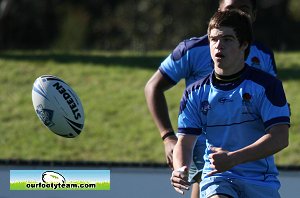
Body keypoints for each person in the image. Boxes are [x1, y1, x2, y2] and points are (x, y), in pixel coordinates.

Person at [144, 0, 277, 197]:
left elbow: (275, 106)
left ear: (254, 15)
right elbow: (153, 87)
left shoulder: (263, 55)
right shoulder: (193, 50)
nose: (238, 13)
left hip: (249, 155)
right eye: (231, 8)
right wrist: (168, 137)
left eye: (245, 10)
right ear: (219, 11)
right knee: (210, 182)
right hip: (202, 144)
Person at [171, 9, 290, 197]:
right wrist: (179, 169)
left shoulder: (267, 86)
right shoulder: (194, 92)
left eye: (227, 39)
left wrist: (233, 158)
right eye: (214, 39)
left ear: (244, 44)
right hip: (218, 177)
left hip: (260, 181)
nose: (218, 46)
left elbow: (280, 138)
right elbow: (184, 143)